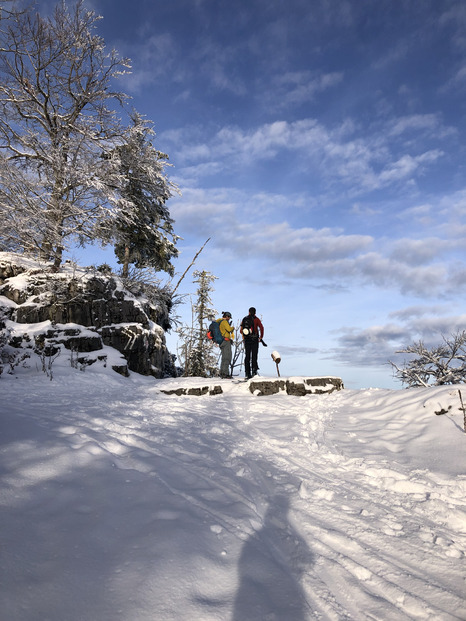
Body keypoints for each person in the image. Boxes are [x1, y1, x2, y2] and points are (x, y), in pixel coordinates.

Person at [240, 307, 264, 379]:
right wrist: (261, 337)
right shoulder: (257, 319)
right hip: (254, 339)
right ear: (255, 312)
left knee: (247, 356)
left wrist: (245, 337)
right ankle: (254, 371)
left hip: (247, 340)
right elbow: (261, 327)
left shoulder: (244, 319)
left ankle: (247, 373)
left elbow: (241, 331)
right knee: (254, 355)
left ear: (249, 312)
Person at [217, 311, 234, 378]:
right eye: (229, 317)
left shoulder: (220, 321)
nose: (229, 319)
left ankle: (222, 372)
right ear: (226, 316)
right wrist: (232, 328)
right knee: (227, 357)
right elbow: (229, 329)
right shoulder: (224, 322)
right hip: (226, 341)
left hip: (222, 341)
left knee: (224, 358)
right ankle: (225, 374)